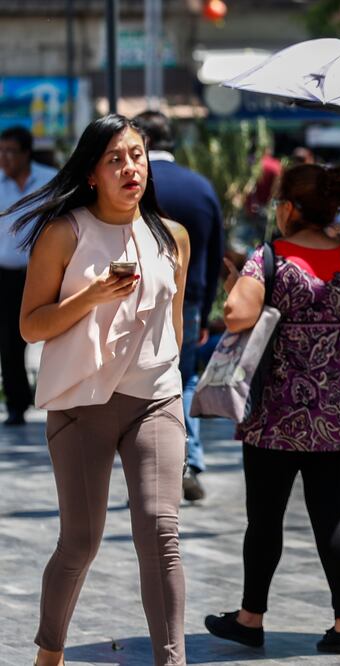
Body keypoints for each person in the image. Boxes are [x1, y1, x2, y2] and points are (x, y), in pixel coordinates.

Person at [12, 114, 190, 666]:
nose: (130, 167)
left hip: (155, 398)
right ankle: (49, 652)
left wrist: (173, 377)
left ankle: (172, 658)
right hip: (81, 405)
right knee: (82, 541)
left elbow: (176, 324)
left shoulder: (171, 235)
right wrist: (89, 297)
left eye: (136, 155)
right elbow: (30, 326)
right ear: (92, 173)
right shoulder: (65, 233)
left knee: (160, 529)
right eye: (115, 158)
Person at [203, 163, 340, 654]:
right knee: (332, 513)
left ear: (288, 208)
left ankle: (250, 618)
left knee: (264, 517)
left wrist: (240, 281)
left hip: (275, 415)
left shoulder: (271, 257)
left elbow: (236, 315)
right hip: (337, 415)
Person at [135, 110, 224, 502]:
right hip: (188, 299)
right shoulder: (201, 188)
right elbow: (215, 252)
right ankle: (188, 460)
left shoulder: (134, 184)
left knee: (141, 383)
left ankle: (150, 467)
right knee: (183, 379)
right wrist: (204, 311)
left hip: (135, 298)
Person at [0, 125, 57, 425]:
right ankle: (16, 404)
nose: (4, 158)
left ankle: (57, 395)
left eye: (10, 151)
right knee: (9, 342)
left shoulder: (49, 181)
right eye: (1, 151)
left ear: (25, 153)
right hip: (6, 275)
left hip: (43, 270)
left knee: (56, 333)